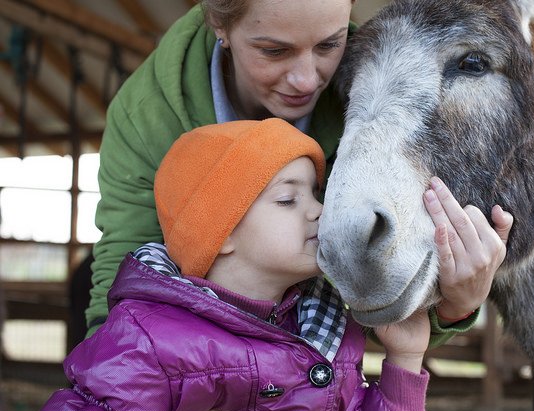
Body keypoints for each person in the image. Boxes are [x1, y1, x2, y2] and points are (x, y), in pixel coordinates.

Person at [87, 0, 511, 345]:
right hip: (190, 362)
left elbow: (393, 312)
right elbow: (124, 276)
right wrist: (130, 404)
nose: (308, 80)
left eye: (330, 44)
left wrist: (455, 306)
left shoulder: (386, 95)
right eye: (274, 50)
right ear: (220, 24)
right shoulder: (146, 115)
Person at [34, 119, 436, 411]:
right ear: (220, 233)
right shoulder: (146, 343)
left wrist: (404, 357)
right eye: (287, 199)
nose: (319, 210)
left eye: (315, 193)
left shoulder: (330, 330)